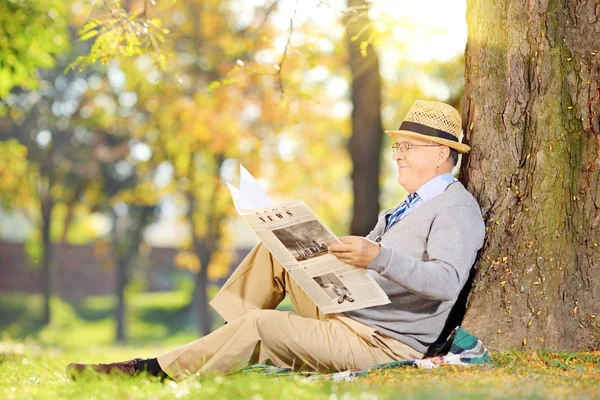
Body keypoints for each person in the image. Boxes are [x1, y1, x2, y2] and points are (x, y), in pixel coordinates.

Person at [67, 100, 485, 381]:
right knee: (275, 251)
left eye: (407, 147)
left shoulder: (454, 208)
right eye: (397, 146)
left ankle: (150, 373)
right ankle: (233, 339)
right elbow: (375, 262)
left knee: (263, 325)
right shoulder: (407, 204)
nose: (396, 154)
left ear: (439, 154)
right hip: (352, 312)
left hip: (380, 342)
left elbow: (446, 281)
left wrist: (377, 256)